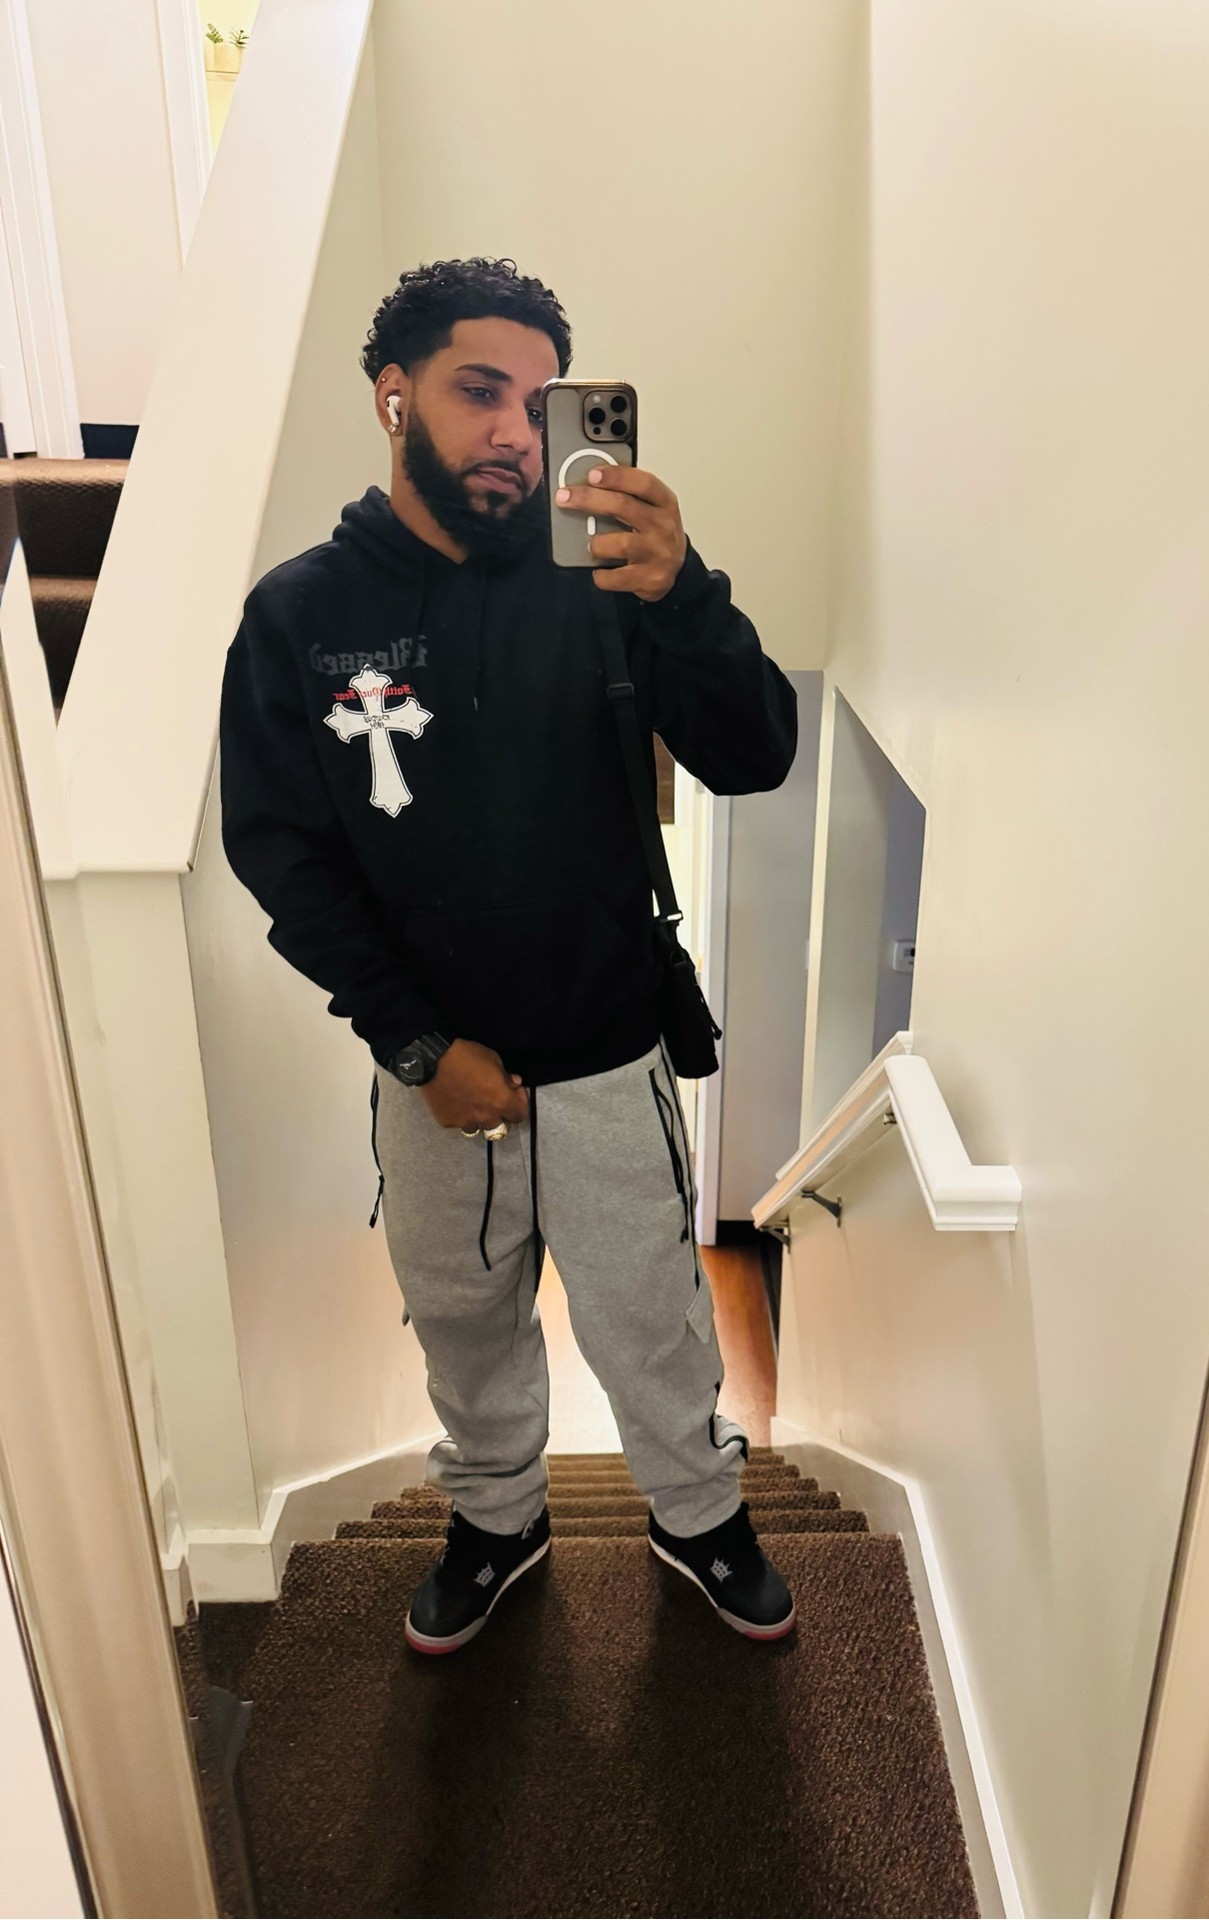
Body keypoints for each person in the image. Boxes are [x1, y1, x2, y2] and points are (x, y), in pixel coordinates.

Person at [219, 258, 799, 1653]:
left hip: (608, 1048)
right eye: (480, 392)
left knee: (652, 1315)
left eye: (542, 406)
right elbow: (281, 852)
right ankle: (496, 1519)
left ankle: (698, 1512)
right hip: (433, 1074)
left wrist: (685, 594)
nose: (515, 434)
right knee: (461, 1316)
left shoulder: (608, 580)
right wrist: (419, 1045)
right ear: (393, 395)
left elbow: (757, 753)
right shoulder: (302, 616)